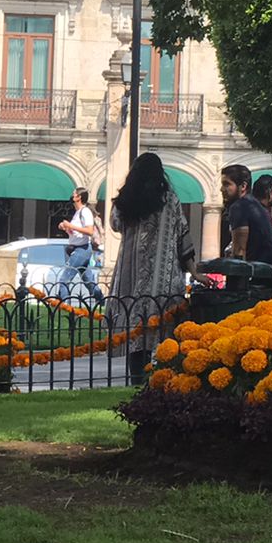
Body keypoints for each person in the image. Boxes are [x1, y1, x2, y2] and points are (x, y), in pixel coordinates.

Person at [108, 152, 195, 378]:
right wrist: (194, 270)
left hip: (131, 278)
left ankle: (137, 377)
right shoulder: (170, 200)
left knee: (135, 335)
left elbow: (115, 225)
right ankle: (162, 378)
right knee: (164, 334)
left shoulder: (124, 200)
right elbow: (182, 236)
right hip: (163, 280)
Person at [220, 164, 272, 291]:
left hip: (268, 271)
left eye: (227, 184)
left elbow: (239, 250)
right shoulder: (253, 204)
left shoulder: (239, 207)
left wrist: (234, 288)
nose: (222, 189)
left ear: (243, 186)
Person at [57, 187, 102, 300]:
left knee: (64, 280)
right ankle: (102, 301)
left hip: (81, 250)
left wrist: (70, 225)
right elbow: (76, 233)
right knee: (89, 281)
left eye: (74, 194)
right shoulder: (78, 213)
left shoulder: (85, 211)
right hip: (76, 248)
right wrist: (66, 228)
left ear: (79, 197)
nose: (72, 195)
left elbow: (89, 231)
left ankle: (63, 307)